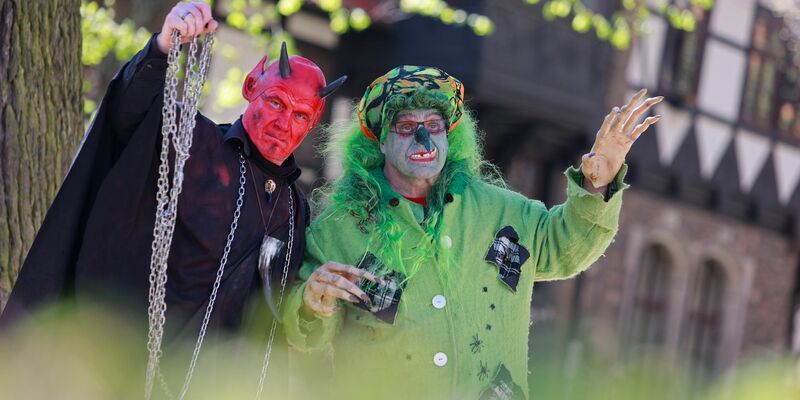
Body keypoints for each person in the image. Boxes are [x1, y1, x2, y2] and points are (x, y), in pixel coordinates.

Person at [0, 1, 344, 395]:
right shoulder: (192, 143)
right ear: (252, 87)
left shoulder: (296, 210)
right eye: (276, 102)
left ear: (314, 122)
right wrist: (164, 46)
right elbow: (131, 114)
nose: (284, 124)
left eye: (301, 115)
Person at [282, 65, 661, 399]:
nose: (424, 140)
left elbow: (566, 247)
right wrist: (313, 303)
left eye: (434, 126)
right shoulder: (338, 229)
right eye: (406, 127)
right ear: (380, 140)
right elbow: (309, 335)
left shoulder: (503, 211)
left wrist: (598, 184)